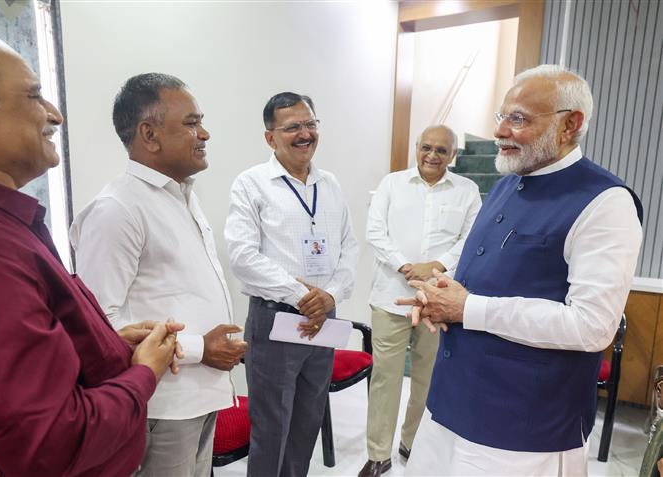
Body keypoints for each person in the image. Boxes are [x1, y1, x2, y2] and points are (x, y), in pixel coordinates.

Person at [0, 24, 181, 477]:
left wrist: (99, 345)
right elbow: (45, 446)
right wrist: (142, 375)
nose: (54, 115)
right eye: (32, 97)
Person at [402, 65, 643, 476]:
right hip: (450, 403)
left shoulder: (605, 202)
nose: (500, 131)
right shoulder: (505, 185)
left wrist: (467, 308)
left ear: (571, 124)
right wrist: (443, 291)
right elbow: (489, 275)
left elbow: (591, 326)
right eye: (502, 117)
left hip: (523, 425)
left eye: (519, 119)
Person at [69, 73, 247, 477]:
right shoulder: (118, 209)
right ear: (149, 134)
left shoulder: (181, 194)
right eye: (190, 123)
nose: (204, 133)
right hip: (163, 405)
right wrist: (202, 347)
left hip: (201, 394)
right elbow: (99, 329)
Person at [225, 92, 358, 476]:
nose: (305, 133)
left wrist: (329, 295)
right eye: (293, 127)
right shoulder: (251, 184)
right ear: (271, 138)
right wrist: (302, 295)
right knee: (272, 425)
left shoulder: (329, 183)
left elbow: (350, 246)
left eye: (310, 124)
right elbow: (243, 257)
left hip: (324, 319)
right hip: (276, 320)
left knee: (307, 421)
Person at [358, 125, 481, 477]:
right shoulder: (391, 184)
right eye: (426, 147)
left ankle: (412, 440)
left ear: (453, 155)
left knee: (428, 378)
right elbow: (375, 231)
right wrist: (407, 265)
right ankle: (378, 453)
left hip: (439, 301)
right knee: (386, 377)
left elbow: (470, 239)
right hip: (389, 298)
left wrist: (436, 266)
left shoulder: (467, 191)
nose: (432, 155)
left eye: (442, 150)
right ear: (416, 148)